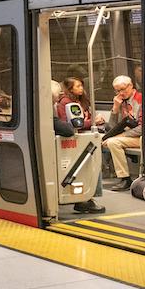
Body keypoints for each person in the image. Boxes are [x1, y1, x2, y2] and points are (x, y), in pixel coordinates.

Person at [54, 77, 105, 214]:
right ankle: (85, 198)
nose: (81, 88)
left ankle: (88, 196)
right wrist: (93, 121)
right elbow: (71, 124)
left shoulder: (81, 101)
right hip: (77, 138)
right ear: (70, 89)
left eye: (81, 85)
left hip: (85, 136)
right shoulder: (65, 103)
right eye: (77, 86)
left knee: (93, 165)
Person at [103, 75, 142, 191]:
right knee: (109, 141)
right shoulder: (121, 102)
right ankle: (124, 177)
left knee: (113, 142)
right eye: (118, 90)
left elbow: (142, 128)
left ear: (131, 86)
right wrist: (115, 108)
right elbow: (112, 127)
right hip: (131, 136)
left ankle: (125, 178)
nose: (121, 93)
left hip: (142, 137)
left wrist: (122, 135)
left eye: (123, 89)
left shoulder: (140, 100)